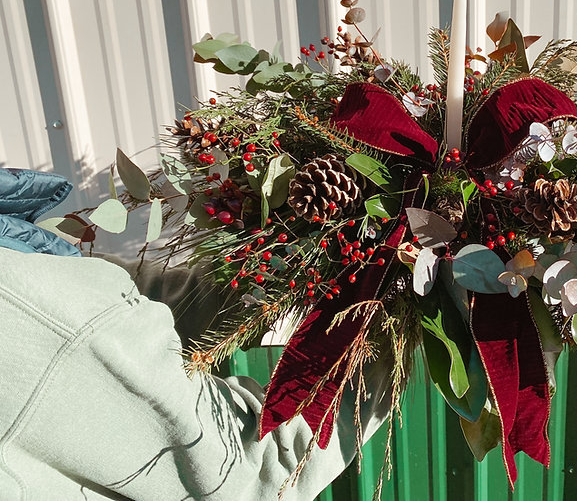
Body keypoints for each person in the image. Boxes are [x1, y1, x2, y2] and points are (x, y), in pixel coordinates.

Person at [0, 168, 390, 500]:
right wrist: (385, 314)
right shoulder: (23, 308)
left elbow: (123, 303)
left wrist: (286, 252)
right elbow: (254, 477)